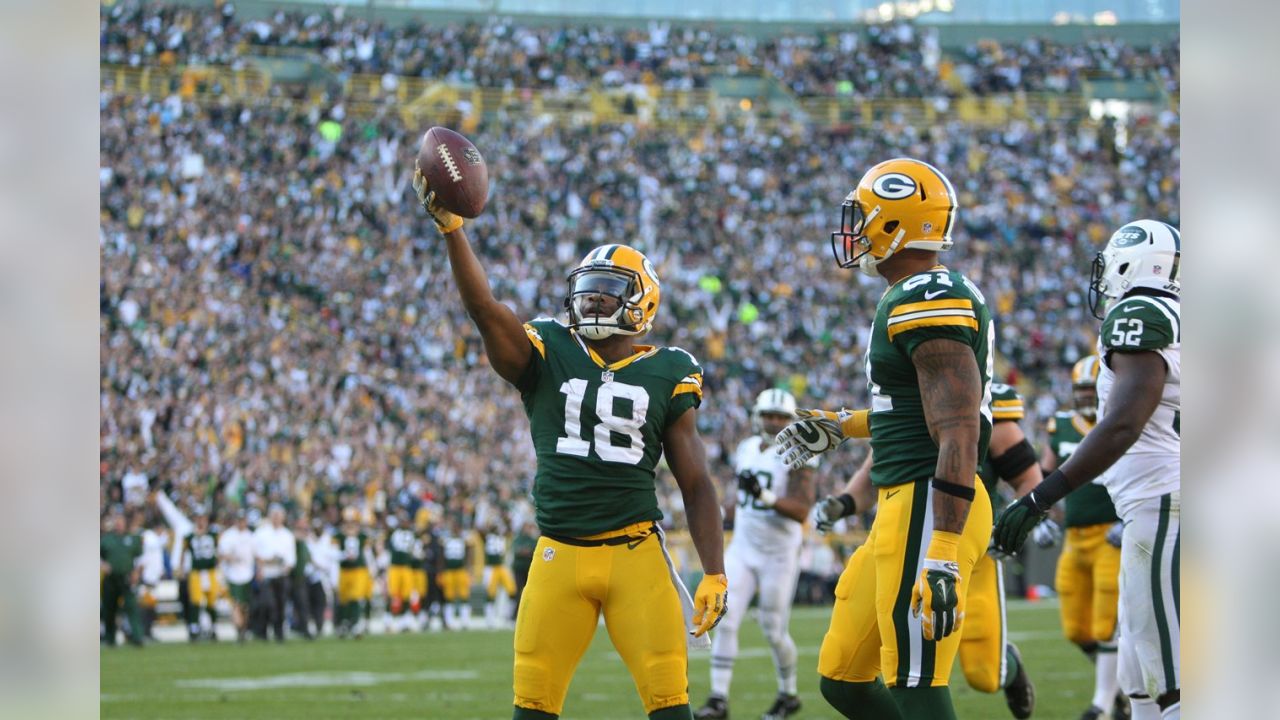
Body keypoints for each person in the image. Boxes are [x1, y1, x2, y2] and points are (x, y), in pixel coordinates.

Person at [414, 167, 727, 720]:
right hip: (558, 553)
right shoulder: (548, 348)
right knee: (532, 706)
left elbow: (695, 481)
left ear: (643, 303)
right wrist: (453, 231)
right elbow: (485, 310)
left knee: (669, 701)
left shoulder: (671, 370)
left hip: (636, 554)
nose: (595, 304)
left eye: (609, 295)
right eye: (588, 292)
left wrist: (715, 569)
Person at [775, 158, 994, 720]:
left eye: (866, 215)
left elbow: (959, 427)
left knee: (915, 680)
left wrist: (942, 552)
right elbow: (921, 414)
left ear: (896, 224)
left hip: (931, 501)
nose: (856, 228)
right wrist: (843, 425)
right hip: (904, 498)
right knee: (843, 678)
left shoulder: (925, 298)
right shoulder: (910, 294)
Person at [993, 219, 1181, 720]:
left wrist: (1040, 496)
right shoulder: (1182, 316)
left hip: (1164, 502)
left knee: (1172, 680)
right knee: (1137, 677)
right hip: (1159, 503)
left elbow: (1121, 425)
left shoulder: (1142, 312)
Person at [695, 389, 816, 720]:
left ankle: (788, 693)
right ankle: (718, 699)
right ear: (757, 416)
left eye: (780, 417)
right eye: (769, 415)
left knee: (773, 628)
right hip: (744, 548)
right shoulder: (747, 448)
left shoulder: (800, 451)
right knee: (726, 618)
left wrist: (764, 496)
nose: (774, 422)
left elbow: (802, 509)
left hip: (779, 553)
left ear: (791, 420)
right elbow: (743, 499)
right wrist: (719, 511)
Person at [1039, 355, 1129, 720]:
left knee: (1107, 622)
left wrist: (1128, 518)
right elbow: (1042, 474)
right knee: (1077, 627)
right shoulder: (1059, 424)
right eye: (1079, 390)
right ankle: (1119, 689)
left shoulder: (1122, 421)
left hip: (1111, 535)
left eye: (1090, 389)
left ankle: (1102, 705)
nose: (1084, 397)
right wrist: (1040, 515)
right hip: (1074, 538)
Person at [100, 509, 145, 647]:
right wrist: (102, 565)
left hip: (127, 578)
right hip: (110, 578)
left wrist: (137, 573)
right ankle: (110, 638)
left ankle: (137, 637)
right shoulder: (107, 539)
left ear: (125, 523)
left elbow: (141, 558)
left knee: (131, 607)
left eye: (121, 521)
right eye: (117, 521)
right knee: (109, 608)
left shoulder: (133, 538)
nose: (119, 524)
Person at [252, 504, 296, 642]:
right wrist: (264, 564)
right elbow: (255, 553)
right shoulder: (261, 533)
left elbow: (291, 559)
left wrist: (285, 568)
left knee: (281, 605)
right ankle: (262, 631)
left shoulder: (287, 535)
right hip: (266, 573)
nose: (276, 518)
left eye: (279, 515)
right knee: (267, 604)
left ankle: (279, 633)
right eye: (274, 515)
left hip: (281, 574)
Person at [334, 507, 375, 638]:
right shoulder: (338, 537)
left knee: (356, 597)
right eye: (348, 522)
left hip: (359, 571)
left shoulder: (363, 537)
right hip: (344, 570)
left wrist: (372, 569)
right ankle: (345, 623)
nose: (350, 525)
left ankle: (356, 624)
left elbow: (368, 554)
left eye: (353, 522)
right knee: (344, 599)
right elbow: (331, 554)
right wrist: (343, 556)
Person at [181, 511, 221, 641]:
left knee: (212, 602)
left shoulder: (214, 535)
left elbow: (220, 551)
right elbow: (183, 553)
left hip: (210, 571)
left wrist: (219, 566)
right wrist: (181, 568)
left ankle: (213, 628)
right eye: (198, 518)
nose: (201, 521)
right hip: (196, 572)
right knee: (196, 602)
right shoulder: (189, 537)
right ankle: (194, 629)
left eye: (203, 518)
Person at [218, 509, 256, 642]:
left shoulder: (250, 536)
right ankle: (239, 628)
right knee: (236, 604)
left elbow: (255, 554)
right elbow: (222, 554)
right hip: (233, 574)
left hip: (247, 574)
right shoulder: (229, 536)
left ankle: (243, 628)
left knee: (245, 605)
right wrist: (233, 557)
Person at [385, 509, 420, 633]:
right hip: (395, 567)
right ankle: (389, 621)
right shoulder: (394, 532)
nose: (404, 522)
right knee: (393, 595)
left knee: (406, 595)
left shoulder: (412, 534)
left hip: (406, 567)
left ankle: (404, 621)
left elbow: (416, 551)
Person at [304, 517, 336, 638]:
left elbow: (331, 558)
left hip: (323, 576)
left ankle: (320, 625)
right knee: (309, 603)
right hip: (310, 575)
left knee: (321, 602)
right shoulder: (308, 540)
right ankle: (311, 626)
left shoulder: (327, 539)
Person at [439, 517, 474, 630]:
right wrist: (441, 570)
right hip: (449, 570)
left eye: (457, 527)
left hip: (461, 570)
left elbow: (469, 554)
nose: (455, 529)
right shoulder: (445, 539)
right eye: (454, 527)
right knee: (449, 596)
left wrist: (469, 569)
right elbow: (442, 556)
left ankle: (465, 621)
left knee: (464, 595)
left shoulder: (464, 540)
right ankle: (449, 621)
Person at [482, 521, 517, 629]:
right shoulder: (487, 537)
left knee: (512, 591)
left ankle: (508, 617)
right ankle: (489, 620)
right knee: (490, 594)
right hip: (491, 568)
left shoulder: (503, 537)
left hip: (501, 567)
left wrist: (506, 519)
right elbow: (480, 530)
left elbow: (510, 529)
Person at [289, 515, 315, 639]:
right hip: (290, 576)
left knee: (303, 604)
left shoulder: (305, 541)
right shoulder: (292, 537)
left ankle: (303, 629)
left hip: (301, 577)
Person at [510, 520, 538, 621]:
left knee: (529, 592)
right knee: (519, 591)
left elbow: (535, 551)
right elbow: (518, 550)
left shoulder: (532, 539)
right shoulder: (519, 539)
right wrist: (526, 552)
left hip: (529, 569)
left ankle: (528, 614)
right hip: (519, 569)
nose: (528, 529)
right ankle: (515, 614)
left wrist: (526, 551)